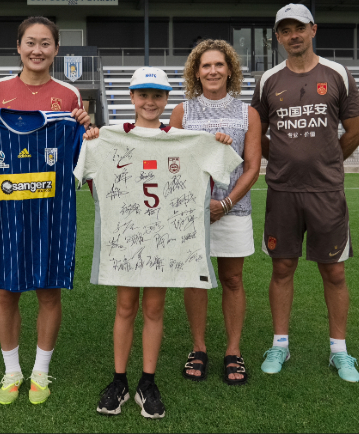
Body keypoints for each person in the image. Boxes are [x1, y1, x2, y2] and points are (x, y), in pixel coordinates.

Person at [76, 67, 242, 419]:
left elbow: (222, 167)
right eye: (143, 94)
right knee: (125, 307)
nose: (150, 101)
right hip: (127, 240)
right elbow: (89, 179)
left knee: (154, 309)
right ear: (132, 98)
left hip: (165, 241)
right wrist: (91, 140)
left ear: (167, 99)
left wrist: (220, 144)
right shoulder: (108, 136)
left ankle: (147, 381)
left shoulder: (187, 139)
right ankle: (119, 379)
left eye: (157, 95)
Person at [0, 16, 90, 405]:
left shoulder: (68, 94)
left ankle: (41, 372)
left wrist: (88, 126)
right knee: (7, 292)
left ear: (56, 49)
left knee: (49, 293)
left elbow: (82, 156)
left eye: (46, 43)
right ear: (18, 47)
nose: (37, 50)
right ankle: (11, 370)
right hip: (4, 217)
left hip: (50, 215)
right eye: (30, 43)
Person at [250, 3, 359, 382]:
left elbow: (356, 131)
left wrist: (328, 162)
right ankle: (279, 344)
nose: (292, 35)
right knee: (282, 267)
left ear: (313, 29)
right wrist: (282, 160)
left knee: (333, 271)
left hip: (325, 192)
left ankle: (339, 351)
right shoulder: (268, 79)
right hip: (282, 191)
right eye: (285, 30)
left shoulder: (337, 74)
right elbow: (257, 134)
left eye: (298, 27)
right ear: (278, 37)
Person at [169, 39, 261, 385]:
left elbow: (252, 167)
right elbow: (174, 162)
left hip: (232, 210)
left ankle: (233, 351)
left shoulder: (247, 113)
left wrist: (225, 204)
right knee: (197, 279)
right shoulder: (183, 112)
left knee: (233, 280)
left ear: (230, 70)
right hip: (192, 211)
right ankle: (199, 347)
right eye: (205, 65)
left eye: (219, 65)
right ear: (196, 71)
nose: (212, 71)